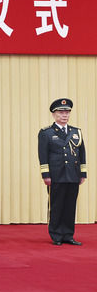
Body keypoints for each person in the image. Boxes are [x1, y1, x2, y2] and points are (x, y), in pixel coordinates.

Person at [38, 98, 86, 246]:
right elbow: (43, 155)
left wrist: (82, 173)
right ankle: (57, 235)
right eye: (61, 112)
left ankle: (68, 235)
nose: (64, 115)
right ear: (54, 114)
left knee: (70, 206)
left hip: (73, 174)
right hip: (56, 175)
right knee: (57, 205)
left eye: (67, 112)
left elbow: (82, 153)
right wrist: (46, 174)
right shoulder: (46, 133)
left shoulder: (76, 132)